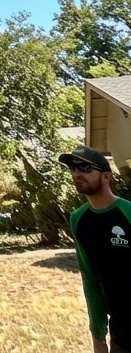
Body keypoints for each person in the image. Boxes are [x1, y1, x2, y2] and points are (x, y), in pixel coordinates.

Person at [61, 144, 131, 353]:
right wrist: (98, 338)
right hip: (121, 331)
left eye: (85, 168)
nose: (76, 173)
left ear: (106, 177)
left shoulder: (128, 212)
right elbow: (90, 279)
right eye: (73, 168)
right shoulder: (78, 219)